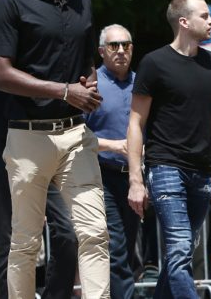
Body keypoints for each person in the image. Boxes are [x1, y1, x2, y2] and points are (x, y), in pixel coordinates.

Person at [0, 0, 110, 298]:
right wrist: (64, 91)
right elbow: (0, 74)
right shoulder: (12, 4)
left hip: (75, 135)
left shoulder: (82, 2)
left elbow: (86, 61)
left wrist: (89, 85)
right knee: (26, 241)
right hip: (28, 137)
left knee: (94, 232)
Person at [126, 0, 211, 297]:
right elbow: (135, 123)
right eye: (204, 16)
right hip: (165, 167)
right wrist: (135, 179)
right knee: (180, 246)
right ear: (184, 22)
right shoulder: (154, 63)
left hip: (201, 171)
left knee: (179, 253)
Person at [0, 0, 78, 299]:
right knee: (10, 236)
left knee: (69, 232)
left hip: (49, 141)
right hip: (5, 143)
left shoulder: (42, 26)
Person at [84, 24, 140, 299]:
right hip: (102, 176)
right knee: (116, 248)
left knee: (128, 248)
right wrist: (114, 145)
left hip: (136, 177)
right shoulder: (91, 85)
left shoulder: (142, 84)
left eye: (125, 45)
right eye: (113, 45)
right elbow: (76, 135)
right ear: (101, 51)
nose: (120, 51)